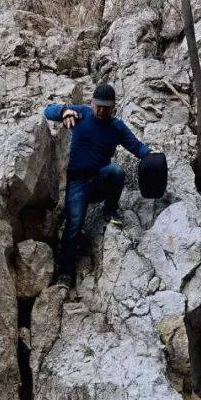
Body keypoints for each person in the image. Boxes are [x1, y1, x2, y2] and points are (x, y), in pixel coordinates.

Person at [44, 83, 152, 287]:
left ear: (113, 108)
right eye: (98, 106)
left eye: (106, 107)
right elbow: (48, 111)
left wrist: (151, 155)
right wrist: (64, 111)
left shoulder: (117, 127)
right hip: (77, 182)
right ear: (92, 103)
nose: (101, 111)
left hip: (100, 180)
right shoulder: (81, 114)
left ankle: (110, 210)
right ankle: (65, 273)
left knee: (116, 171)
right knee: (74, 224)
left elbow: (136, 147)